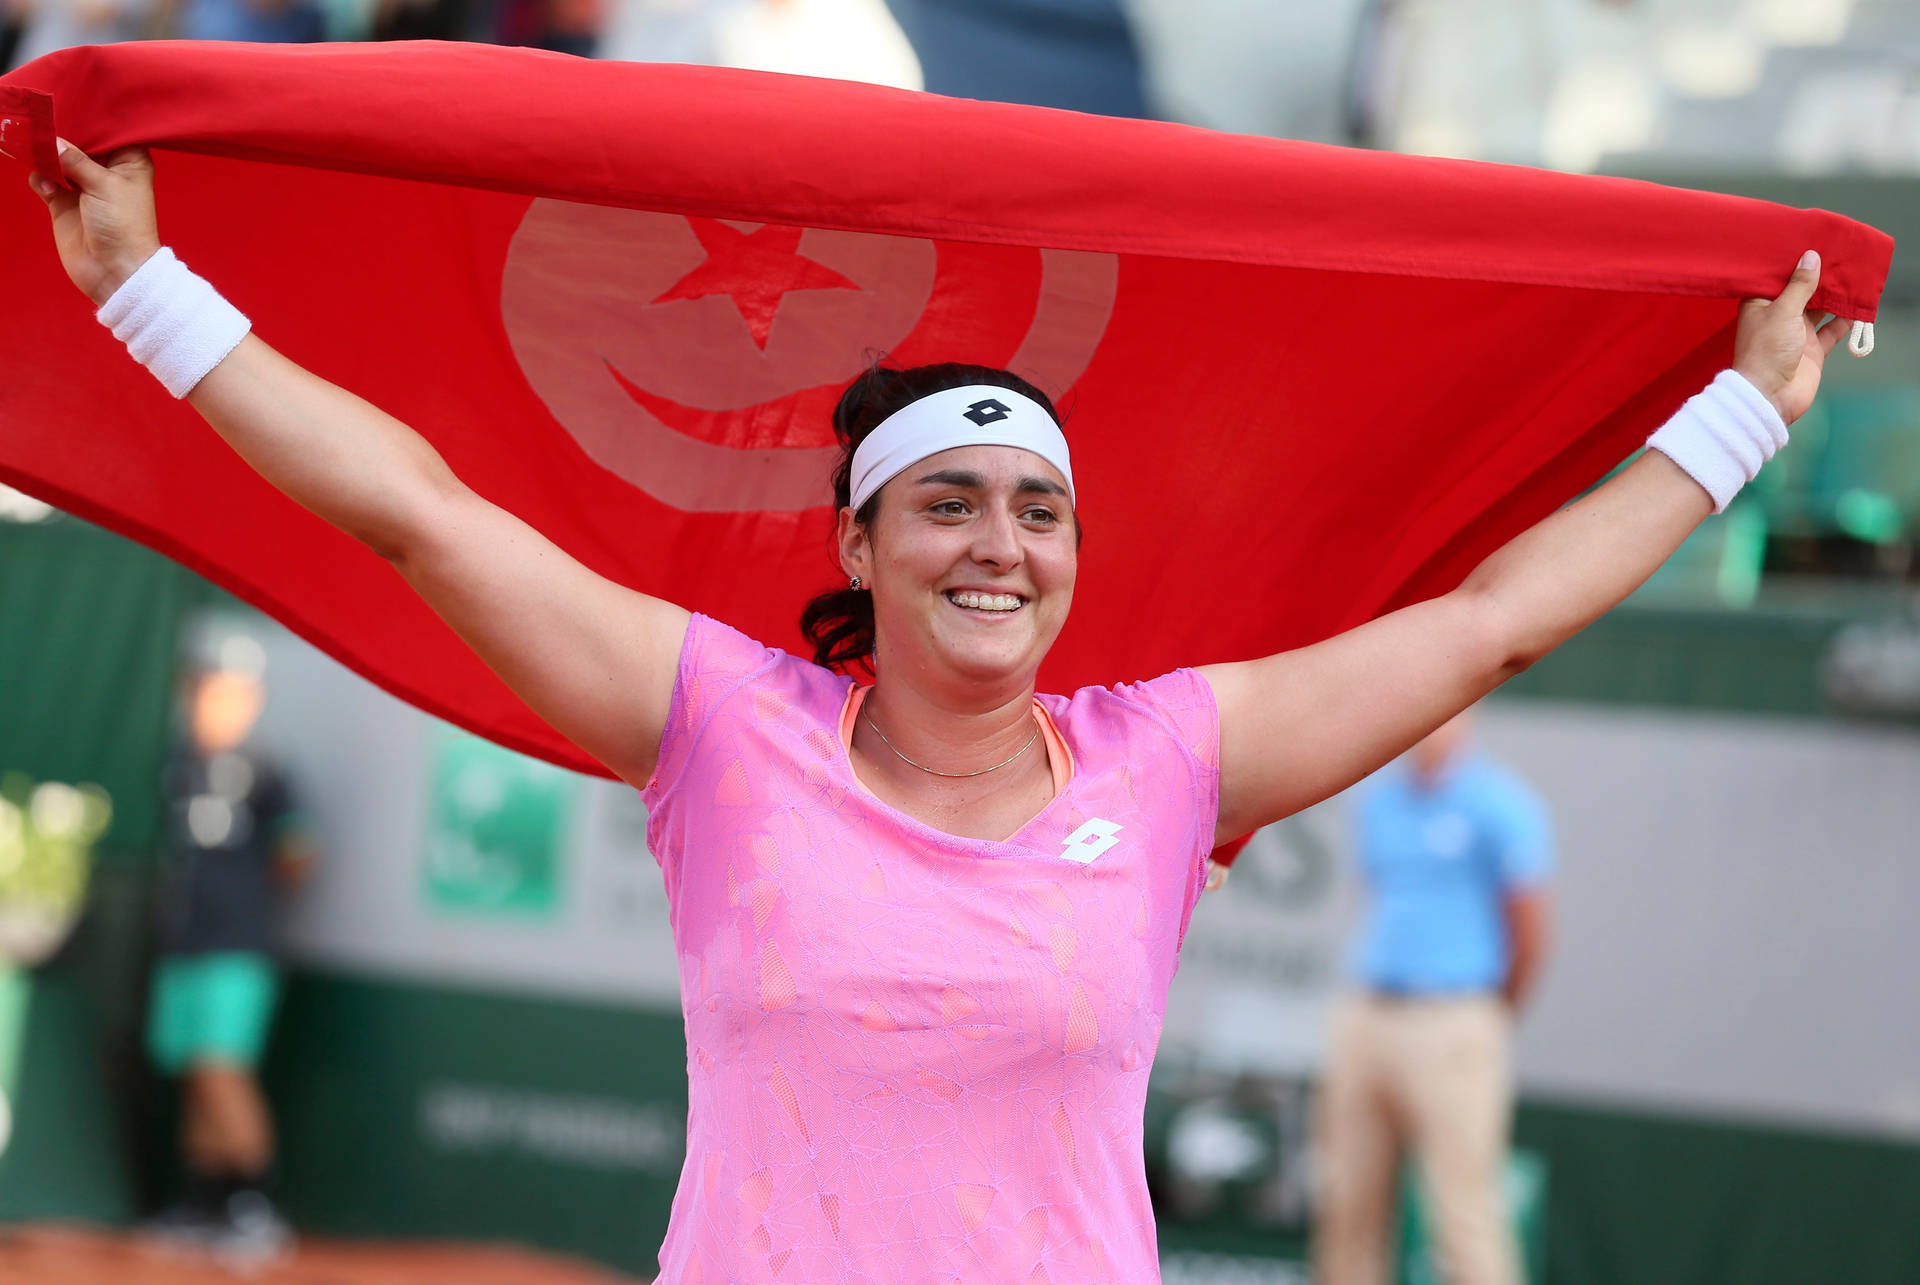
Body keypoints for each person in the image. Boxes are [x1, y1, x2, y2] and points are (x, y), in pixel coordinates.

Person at [24, 141, 1847, 1282]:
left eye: (1038, 507)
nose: (1001, 544)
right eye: (952, 505)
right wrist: (147, 294)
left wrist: (1744, 418)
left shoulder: (1174, 753)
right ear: (863, 545)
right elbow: (419, 514)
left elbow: (1487, 627)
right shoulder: (719, 728)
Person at [1314, 708, 1550, 1285]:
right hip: (1369, 1016)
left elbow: (1532, 929)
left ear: (1466, 718)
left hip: (1454, 1021)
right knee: (1348, 1206)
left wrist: (1488, 1014)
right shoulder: (1378, 805)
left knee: (1463, 1214)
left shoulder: (1500, 805)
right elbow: (1376, 899)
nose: (1429, 727)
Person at [145, 642, 315, 1262]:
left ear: (249, 700)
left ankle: (252, 1206)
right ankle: (201, 1204)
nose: (205, 702)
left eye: (221, 691)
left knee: (222, 1069)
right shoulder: (179, 766)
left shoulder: (268, 769)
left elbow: (298, 855)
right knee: (195, 1071)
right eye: (198, 688)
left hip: (237, 946)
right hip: (182, 944)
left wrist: (247, 907)